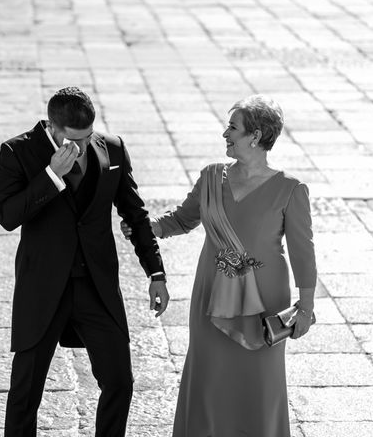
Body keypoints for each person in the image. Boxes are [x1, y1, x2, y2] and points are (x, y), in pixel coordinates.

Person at [122, 94, 317, 436]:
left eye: (233, 128)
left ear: (255, 136)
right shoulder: (212, 177)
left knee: (259, 381)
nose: (225, 134)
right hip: (212, 293)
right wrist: (146, 228)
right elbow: (182, 219)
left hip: (265, 301)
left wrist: (305, 308)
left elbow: (303, 253)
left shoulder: (290, 190)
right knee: (209, 375)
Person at [0, 87, 170, 437]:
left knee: (120, 382)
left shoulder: (113, 148)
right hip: (43, 289)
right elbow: (7, 215)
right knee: (25, 394)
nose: (86, 144)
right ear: (54, 129)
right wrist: (51, 176)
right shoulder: (18, 151)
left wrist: (156, 272)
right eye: (76, 139)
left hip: (96, 285)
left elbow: (135, 214)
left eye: (89, 136)